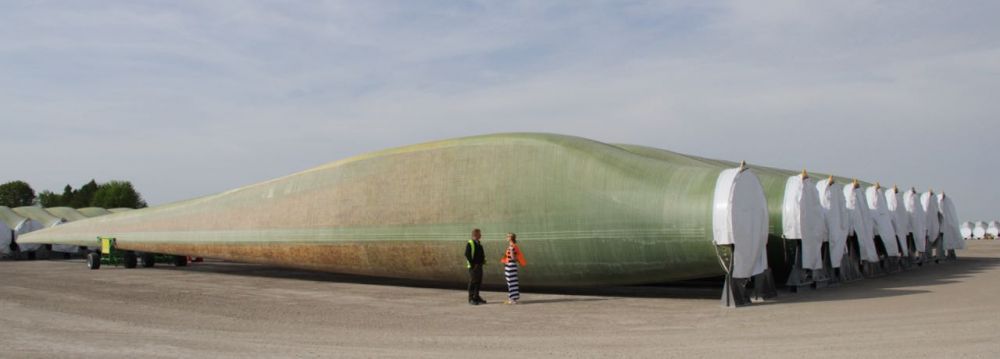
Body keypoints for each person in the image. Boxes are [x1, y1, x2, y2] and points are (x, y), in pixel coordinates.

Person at [500, 232, 527, 304]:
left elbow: (512, 257)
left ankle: (511, 299)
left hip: (510, 266)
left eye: (507, 236)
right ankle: (513, 298)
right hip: (513, 266)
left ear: (510, 238)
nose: (506, 238)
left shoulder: (511, 247)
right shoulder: (514, 246)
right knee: (513, 282)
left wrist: (507, 257)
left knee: (511, 283)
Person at [464, 228, 486, 305]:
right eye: (479, 234)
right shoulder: (470, 243)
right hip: (473, 267)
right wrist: (473, 264)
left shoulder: (478, 243)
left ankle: (476, 297)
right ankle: (471, 299)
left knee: (478, 282)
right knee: (473, 282)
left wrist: (482, 261)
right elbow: (467, 254)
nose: (481, 235)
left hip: (479, 266)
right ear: (475, 235)